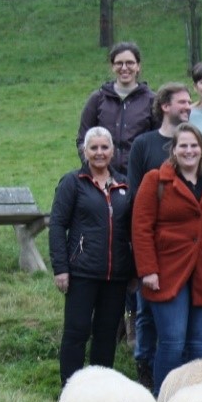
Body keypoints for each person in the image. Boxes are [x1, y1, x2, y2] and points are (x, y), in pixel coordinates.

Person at [131, 123, 202, 395]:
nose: (189, 151)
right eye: (183, 146)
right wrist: (148, 270)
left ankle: (196, 401)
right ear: (174, 150)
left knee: (201, 345)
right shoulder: (156, 180)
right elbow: (141, 228)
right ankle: (165, 399)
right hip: (167, 271)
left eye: (194, 145)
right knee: (172, 342)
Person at [49, 126, 133, 385]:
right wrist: (61, 268)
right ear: (85, 152)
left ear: (112, 151)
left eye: (104, 147)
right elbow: (57, 225)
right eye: (93, 148)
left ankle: (99, 389)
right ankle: (70, 389)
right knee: (77, 332)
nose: (99, 153)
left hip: (116, 275)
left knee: (107, 334)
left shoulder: (124, 184)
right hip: (81, 272)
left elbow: (133, 230)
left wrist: (134, 271)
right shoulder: (72, 182)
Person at [125, 82, 192, 389]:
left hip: (181, 246)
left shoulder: (193, 144)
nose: (188, 107)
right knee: (145, 309)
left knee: (170, 319)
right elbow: (136, 192)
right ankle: (144, 366)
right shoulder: (145, 143)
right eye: (182, 102)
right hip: (148, 238)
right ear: (165, 106)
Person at [77, 41, 156, 178]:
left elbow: (158, 140)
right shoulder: (97, 99)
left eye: (130, 63)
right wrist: (92, 164)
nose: (124, 68)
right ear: (112, 67)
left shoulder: (152, 100)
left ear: (138, 66)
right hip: (101, 177)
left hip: (139, 177)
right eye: (119, 63)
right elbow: (83, 139)